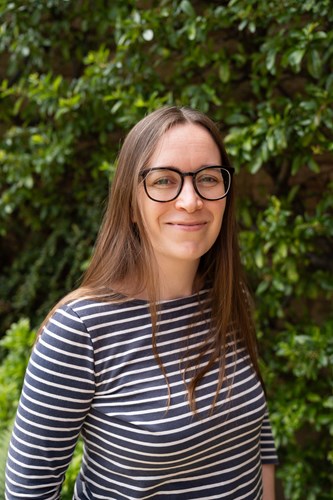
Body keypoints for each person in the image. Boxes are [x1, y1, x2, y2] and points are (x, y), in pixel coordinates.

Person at [5, 106, 278, 500]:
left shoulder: (229, 297)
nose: (191, 200)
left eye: (207, 179)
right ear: (131, 202)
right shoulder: (80, 330)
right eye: (165, 180)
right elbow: (29, 492)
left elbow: (255, 434)